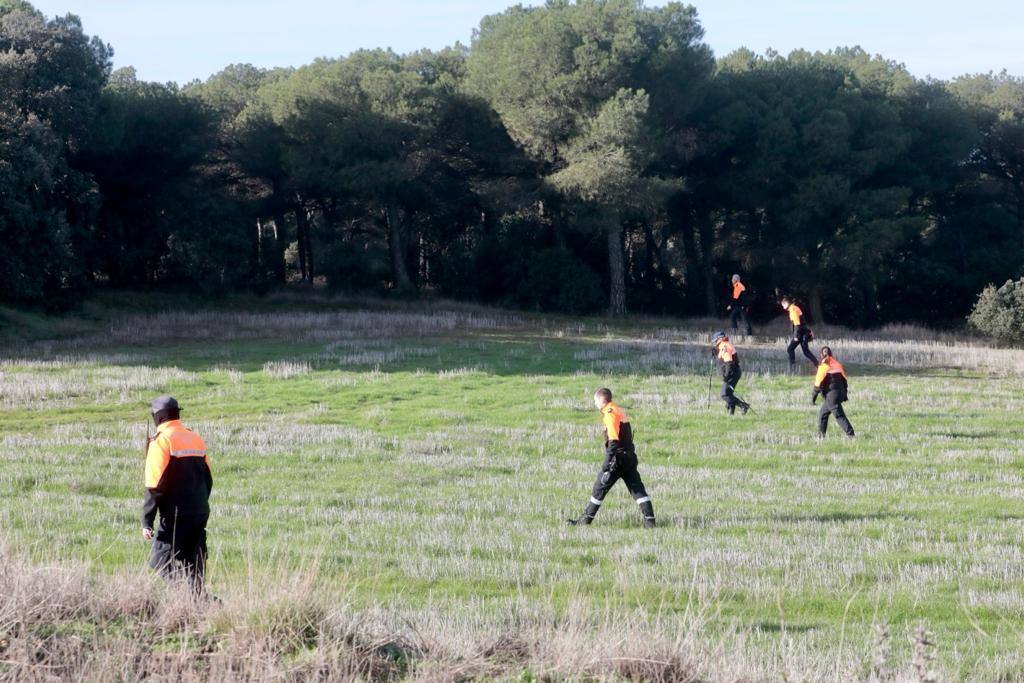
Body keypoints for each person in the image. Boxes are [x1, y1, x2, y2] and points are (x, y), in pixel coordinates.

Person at [142, 396, 213, 593]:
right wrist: (198, 504)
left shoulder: (161, 441)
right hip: (199, 511)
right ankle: (198, 600)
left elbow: (154, 485)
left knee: (160, 560)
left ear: (159, 417)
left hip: (176, 514)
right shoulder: (195, 437)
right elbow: (208, 479)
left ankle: (188, 596)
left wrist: (147, 521)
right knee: (193, 561)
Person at [569, 388, 655, 528]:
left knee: (599, 486)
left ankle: (585, 521)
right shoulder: (618, 410)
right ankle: (650, 521)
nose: (595, 403)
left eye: (595, 400)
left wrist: (606, 464)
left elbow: (613, 441)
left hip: (618, 459)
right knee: (637, 489)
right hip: (630, 457)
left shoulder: (610, 415)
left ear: (603, 400)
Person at [812, 346, 855, 437]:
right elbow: (845, 381)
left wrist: (813, 399)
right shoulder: (837, 364)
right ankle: (821, 436)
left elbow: (817, 386)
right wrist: (844, 394)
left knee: (839, 416)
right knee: (823, 413)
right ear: (831, 354)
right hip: (840, 393)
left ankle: (850, 434)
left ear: (821, 355)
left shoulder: (823, 366)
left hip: (832, 395)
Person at [712, 331, 749, 415]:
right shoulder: (724, 345)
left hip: (732, 373)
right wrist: (716, 354)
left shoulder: (724, 346)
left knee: (724, 394)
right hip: (734, 372)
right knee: (728, 393)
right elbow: (723, 359)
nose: (715, 343)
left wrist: (727, 376)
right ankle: (731, 413)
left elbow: (729, 362)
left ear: (719, 339)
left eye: (715, 340)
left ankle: (743, 406)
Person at [780, 297, 817, 369]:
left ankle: (792, 367)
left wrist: (796, 336)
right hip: (804, 332)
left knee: (790, 349)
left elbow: (797, 324)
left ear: (786, 304)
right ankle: (817, 365)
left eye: (783, 305)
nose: (783, 307)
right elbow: (803, 321)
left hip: (800, 333)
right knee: (806, 351)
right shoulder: (795, 308)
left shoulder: (793, 310)